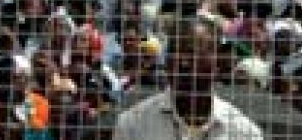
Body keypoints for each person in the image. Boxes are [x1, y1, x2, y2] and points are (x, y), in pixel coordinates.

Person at [112, 19, 262, 139]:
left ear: (217, 63)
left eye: (192, 54)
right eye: (174, 53)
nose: (182, 62)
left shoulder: (244, 132)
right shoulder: (132, 125)